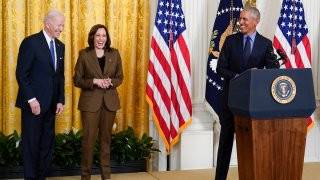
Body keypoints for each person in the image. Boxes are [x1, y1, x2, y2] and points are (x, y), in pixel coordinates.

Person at [215, 7, 278, 180]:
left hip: (253, 104)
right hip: (230, 101)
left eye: (244, 19)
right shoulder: (230, 41)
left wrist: (259, 74)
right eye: (240, 19)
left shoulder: (266, 44)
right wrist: (240, 77)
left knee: (252, 145)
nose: (240, 22)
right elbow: (221, 68)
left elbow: (273, 70)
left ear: (256, 21)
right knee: (225, 143)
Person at [15, 10, 65, 179]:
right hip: (33, 106)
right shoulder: (31, 43)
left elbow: (59, 76)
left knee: (46, 146)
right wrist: (31, 99)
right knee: (31, 145)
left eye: (63, 25)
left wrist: (60, 100)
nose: (61, 28)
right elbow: (22, 74)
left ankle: (41, 177)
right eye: (59, 25)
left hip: (51, 106)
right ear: (47, 24)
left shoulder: (60, 46)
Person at [73, 24, 123, 180]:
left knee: (106, 140)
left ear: (107, 38)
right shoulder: (84, 55)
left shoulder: (114, 54)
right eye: (98, 35)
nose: (101, 39)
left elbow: (119, 77)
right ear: (92, 37)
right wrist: (94, 81)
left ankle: (106, 176)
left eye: (104, 36)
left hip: (110, 102)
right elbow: (77, 80)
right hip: (90, 104)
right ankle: (85, 176)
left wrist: (110, 82)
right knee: (88, 140)